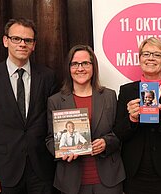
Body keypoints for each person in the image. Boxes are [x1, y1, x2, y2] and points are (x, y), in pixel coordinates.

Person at [0, 18, 57, 194]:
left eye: (28, 40)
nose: (22, 44)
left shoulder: (48, 77)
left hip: (42, 170)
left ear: (33, 45)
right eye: (16, 39)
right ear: (6, 41)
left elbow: (54, 122)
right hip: (5, 171)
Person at [45, 45, 125, 194]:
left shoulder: (109, 96)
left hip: (108, 181)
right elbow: (50, 140)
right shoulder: (55, 101)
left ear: (93, 66)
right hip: (72, 182)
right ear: (68, 68)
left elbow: (119, 133)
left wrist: (106, 143)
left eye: (85, 63)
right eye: (75, 64)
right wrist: (62, 151)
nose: (80, 68)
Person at [114, 37, 161, 194]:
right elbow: (118, 132)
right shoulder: (127, 91)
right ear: (140, 59)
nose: (151, 58)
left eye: (157, 54)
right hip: (134, 171)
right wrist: (131, 119)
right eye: (146, 54)